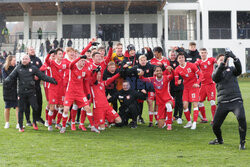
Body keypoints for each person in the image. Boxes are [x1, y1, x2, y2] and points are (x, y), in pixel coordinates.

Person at [4, 54, 57, 132]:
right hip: (21, 92)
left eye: (26, 59)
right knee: (21, 109)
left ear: (29, 60)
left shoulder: (33, 68)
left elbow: (42, 76)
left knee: (35, 108)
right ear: (21, 60)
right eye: (23, 59)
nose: (24, 60)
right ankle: (21, 126)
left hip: (31, 92)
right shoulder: (18, 68)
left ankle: (34, 122)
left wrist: (52, 80)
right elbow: (11, 76)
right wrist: (6, 81)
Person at [209, 51, 247, 150]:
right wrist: (224, 60)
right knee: (215, 126)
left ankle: (242, 142)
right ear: (216, 62)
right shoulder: (215, 72)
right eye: (220, 60)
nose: (223, 61)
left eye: (225, 59)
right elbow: (216, 77)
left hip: (235, 100)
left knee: (241, 118)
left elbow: (239, 70)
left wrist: (234, 57)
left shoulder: (232, 69)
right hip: (223, 102)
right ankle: (219, 140)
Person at [140, 66, 175, 130]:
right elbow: (143, 79)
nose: (159, 72)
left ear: (162, 72)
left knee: (168, 105)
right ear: (155, 72)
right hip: (160, 103)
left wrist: (172, 70)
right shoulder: (153, 79)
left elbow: (173, 75)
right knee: (160, 126)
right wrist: (140, 75)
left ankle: (169, 125)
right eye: (157, 71)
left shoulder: (166, 78)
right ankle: (168, 118)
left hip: (168, 99)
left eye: (160, 70)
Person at [174, 52, 203, 130]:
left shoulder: (191, 65)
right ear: (177, 60)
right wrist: (177, 82)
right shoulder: (177, 69)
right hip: (186, 88)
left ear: (184, 58)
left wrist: (197, 83)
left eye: (182, 57)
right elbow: (176, 82)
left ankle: (194, 123)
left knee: (195, 104)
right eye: (180, 58)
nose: (181, 59)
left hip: (194, 86)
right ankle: (189, 122)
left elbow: (200, 75)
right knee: (185, 105)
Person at [195, 48, 217, 124]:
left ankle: (214, 119)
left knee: (212, 101)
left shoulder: (211, 59)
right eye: (202, 53)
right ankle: (204, 118)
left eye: (204, 52)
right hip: (203, 84)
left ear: (207, 53)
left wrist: (220, 61)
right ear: (200, 54)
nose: (203, 54)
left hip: (211, 84)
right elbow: (194, 66)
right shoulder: (199, 61)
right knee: (199, 102)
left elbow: (216, 61)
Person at [28, 47, 44, 124]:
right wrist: (32, 76)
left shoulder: (38, 60)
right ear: (28, 51)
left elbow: (42, 70)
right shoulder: (26, 60)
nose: (32, 50)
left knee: (39, 102)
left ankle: (38, 118)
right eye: (31, 50)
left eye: (33, 49)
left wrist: (39, 76)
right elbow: (24, 72)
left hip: (37, 85)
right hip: (29, 86)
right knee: (29, 104)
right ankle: (28, 120)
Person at [2, 55, 19, 129]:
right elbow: (5, 80)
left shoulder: (17, 68)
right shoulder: (4, 69)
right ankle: (7, 123)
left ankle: (18, 123)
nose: (15, 62)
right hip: (8, 90)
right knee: (7, 107)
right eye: (14, 60)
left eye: (15, 60)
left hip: (16, 90)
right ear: (10, 61)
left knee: (18, 107)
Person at [168, 50, 183, 124]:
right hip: (170, 85)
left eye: (174, 55)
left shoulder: (179, 63)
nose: (173, 56)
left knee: (179, 101)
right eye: (171, 55)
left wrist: (181, 80)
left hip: (179, 85)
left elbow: (183, 72)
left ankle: (179, 117)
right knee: (170, 101)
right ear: (169, 56)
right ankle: (170, 116)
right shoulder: (167, 63)